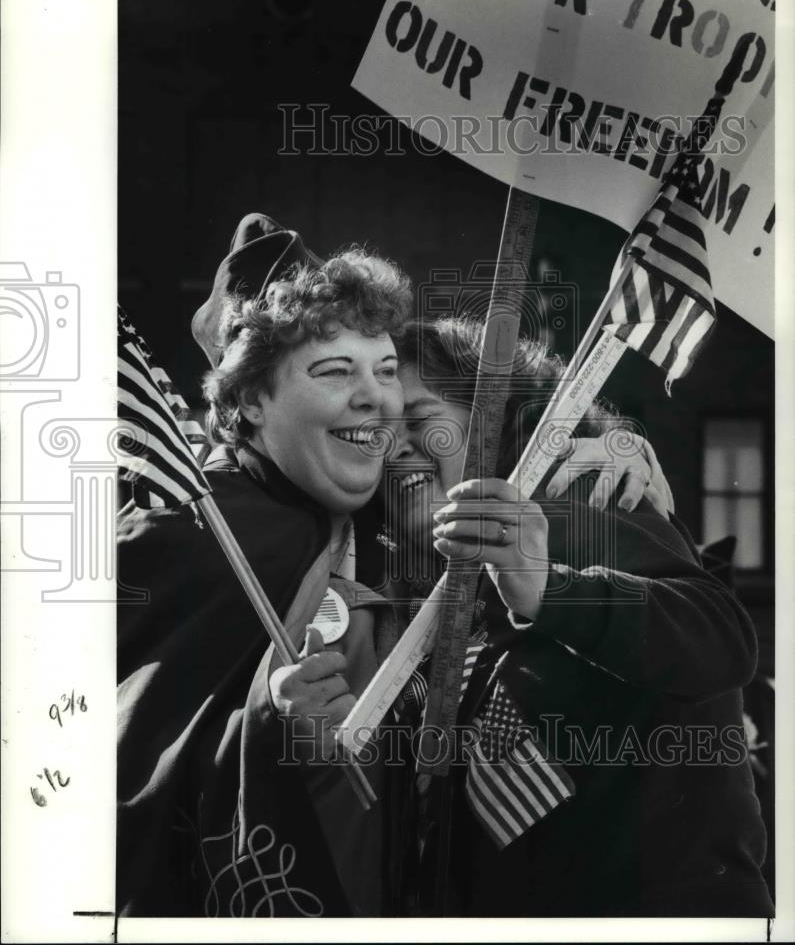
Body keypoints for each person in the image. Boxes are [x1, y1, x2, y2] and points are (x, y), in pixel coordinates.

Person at [384, 317, 773, 917]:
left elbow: (720, 637)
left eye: (417, 419)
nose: (397, 444)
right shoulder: (421, 590)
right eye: (380, 432)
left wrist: (549, 588)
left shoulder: (589, 498)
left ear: (496, 418)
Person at [117, 213, 414, 917]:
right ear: (249, 400)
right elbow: (102, 782)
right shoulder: (180, 536)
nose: (374, 395)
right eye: (335, 370)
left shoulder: (400, 514)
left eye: (387, 369)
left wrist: (601, 456)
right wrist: (268, 726)